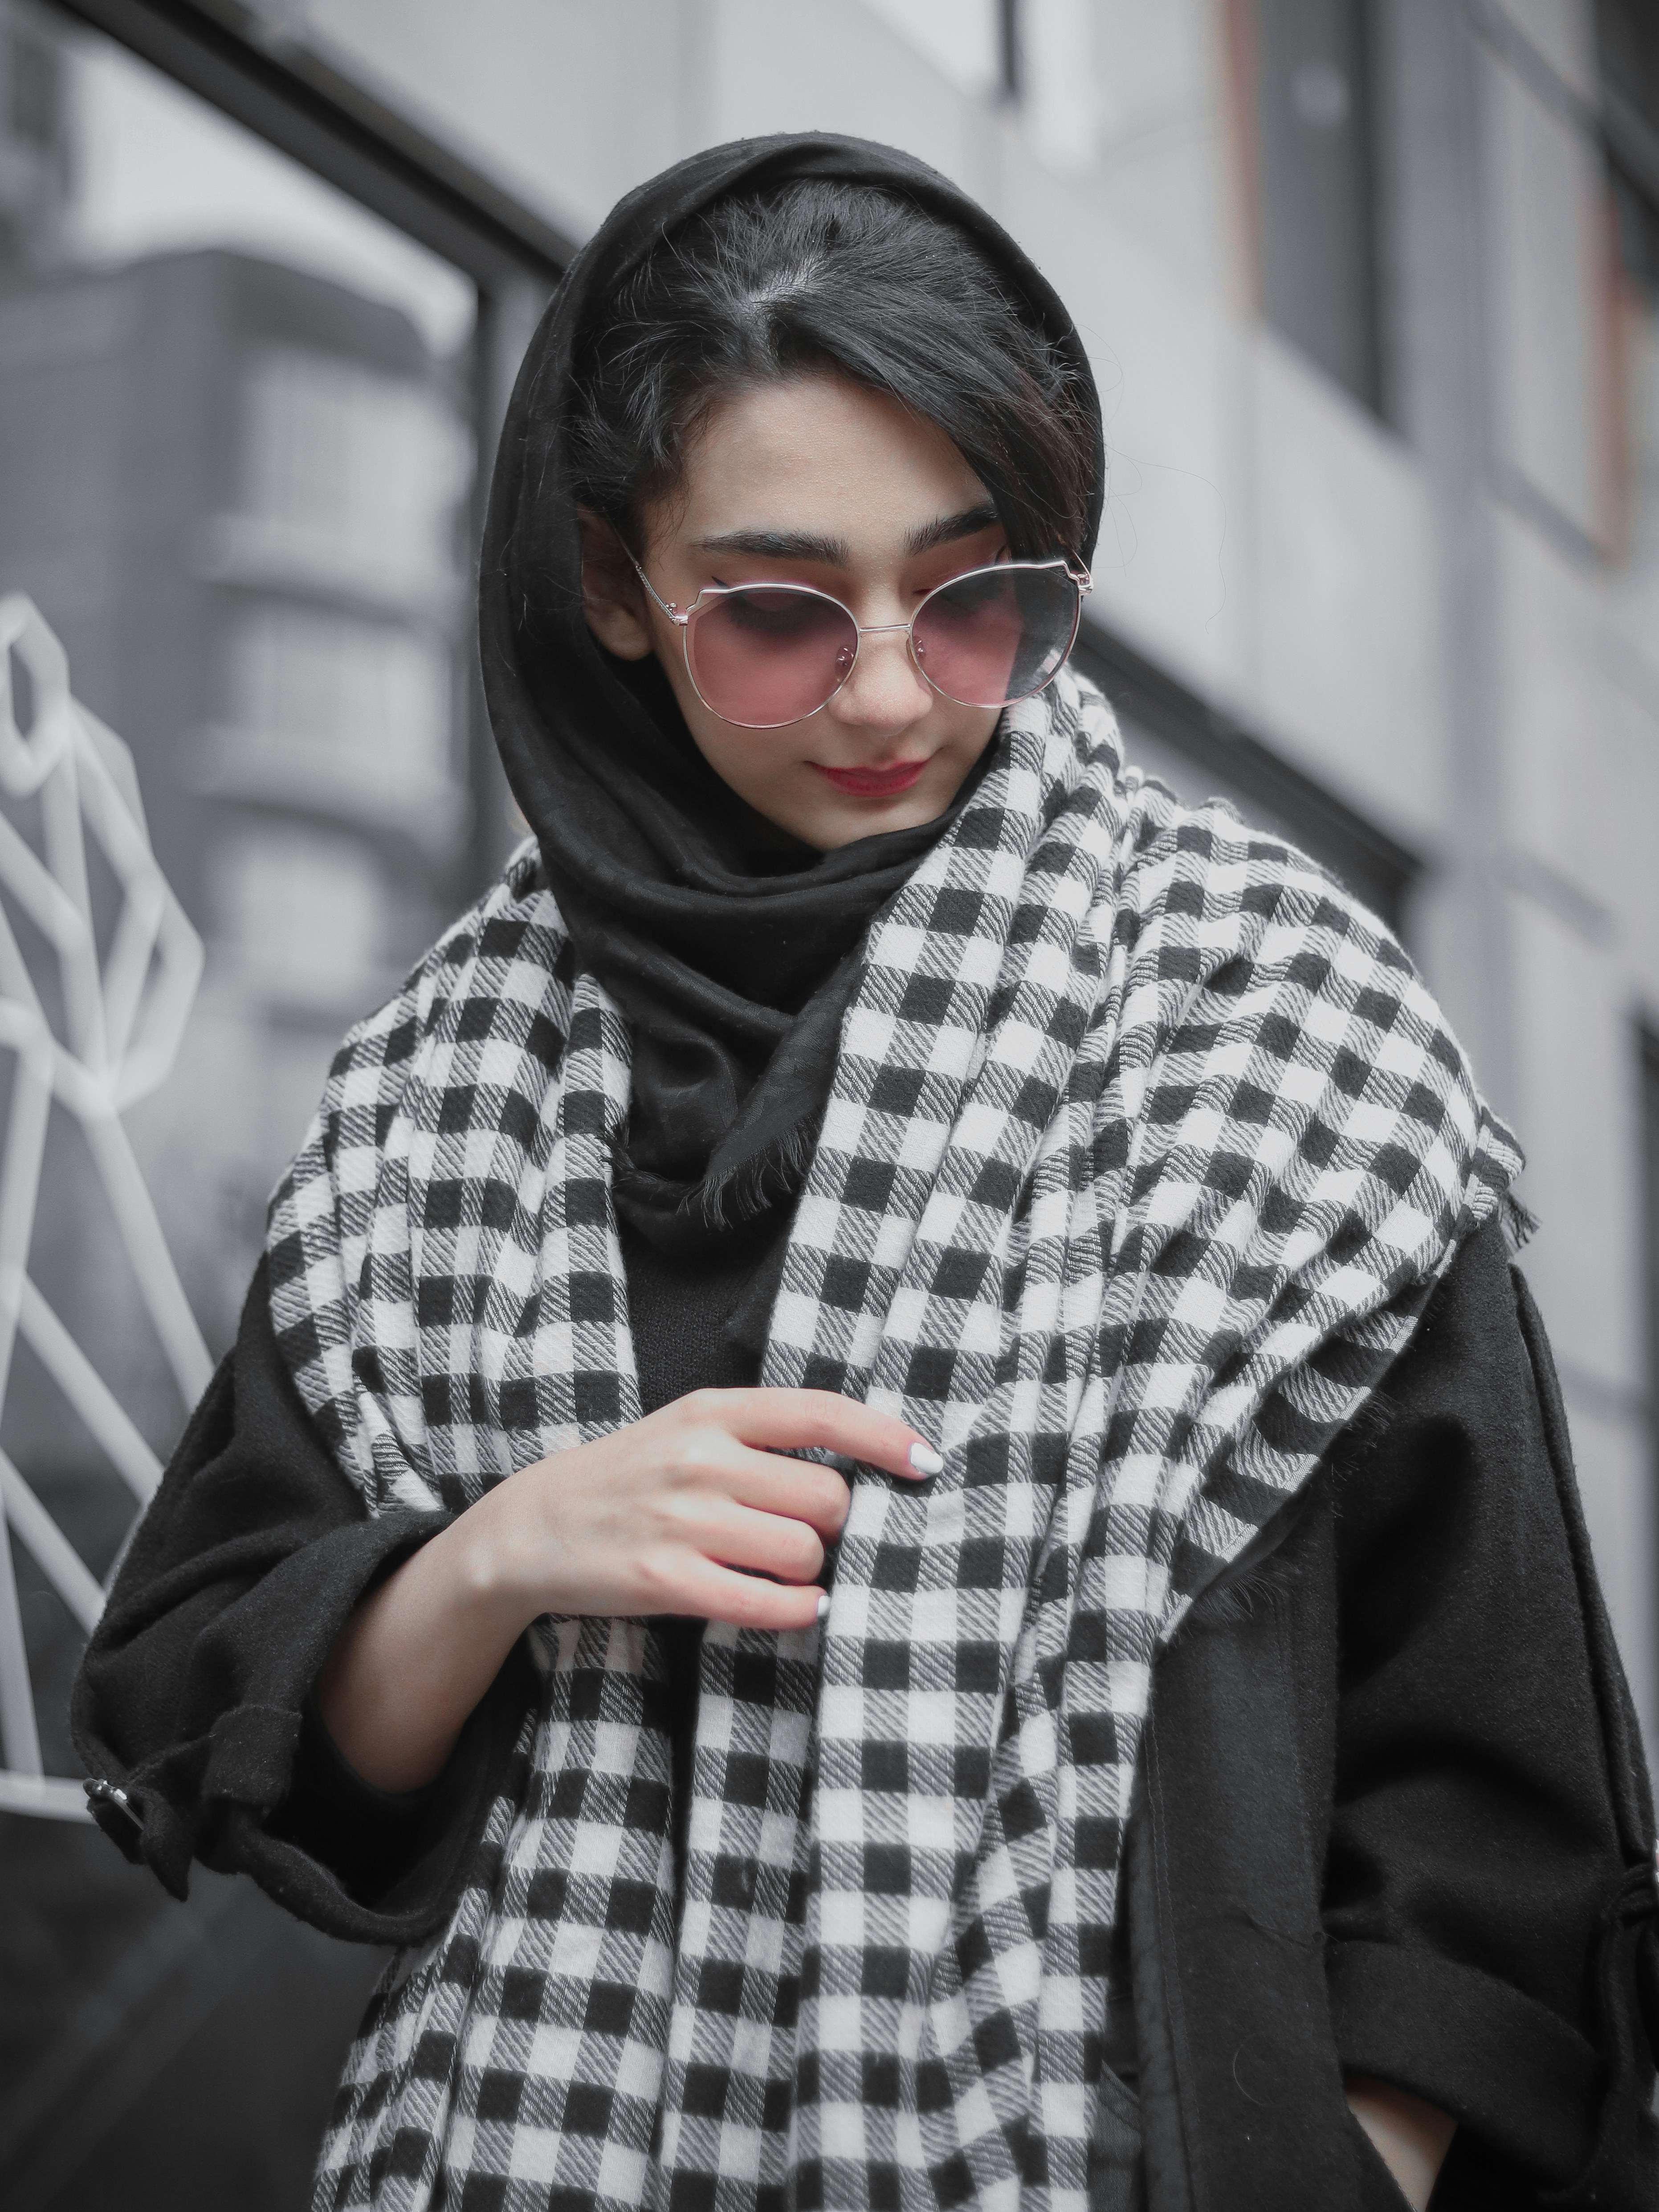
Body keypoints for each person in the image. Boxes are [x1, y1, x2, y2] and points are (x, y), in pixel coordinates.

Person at [74, 134, 1657, 2212]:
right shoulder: (427, 1107)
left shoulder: (1272, 1021)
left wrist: (1314, 2160)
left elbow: (1487, 1788)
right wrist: (495, 1554)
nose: (895, 690)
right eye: (776, 611)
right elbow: (210, 1712)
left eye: (971, 589)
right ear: (608, 586)